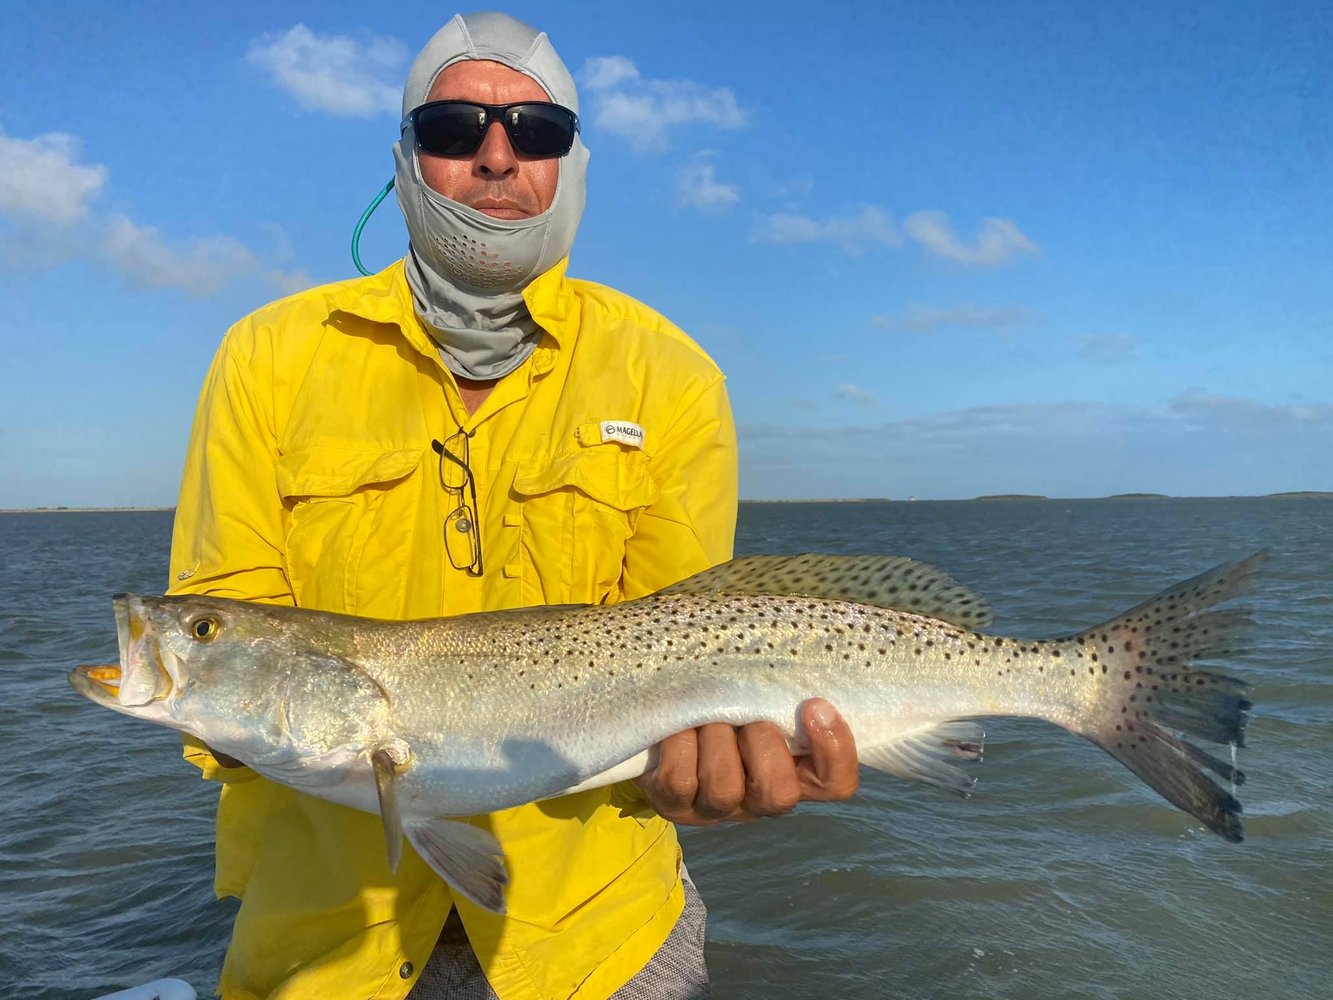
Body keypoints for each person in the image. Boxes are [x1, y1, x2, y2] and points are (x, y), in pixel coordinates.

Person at [167, 12, 858, 999]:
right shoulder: (265, 358)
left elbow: (688, 634)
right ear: (406, 159)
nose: (496, 155)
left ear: (570, 161)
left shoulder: (673, 376)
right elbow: (222, 621)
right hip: (326, 945)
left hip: (599, 936)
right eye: (453, 129)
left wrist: (713, 763)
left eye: (533, 130)